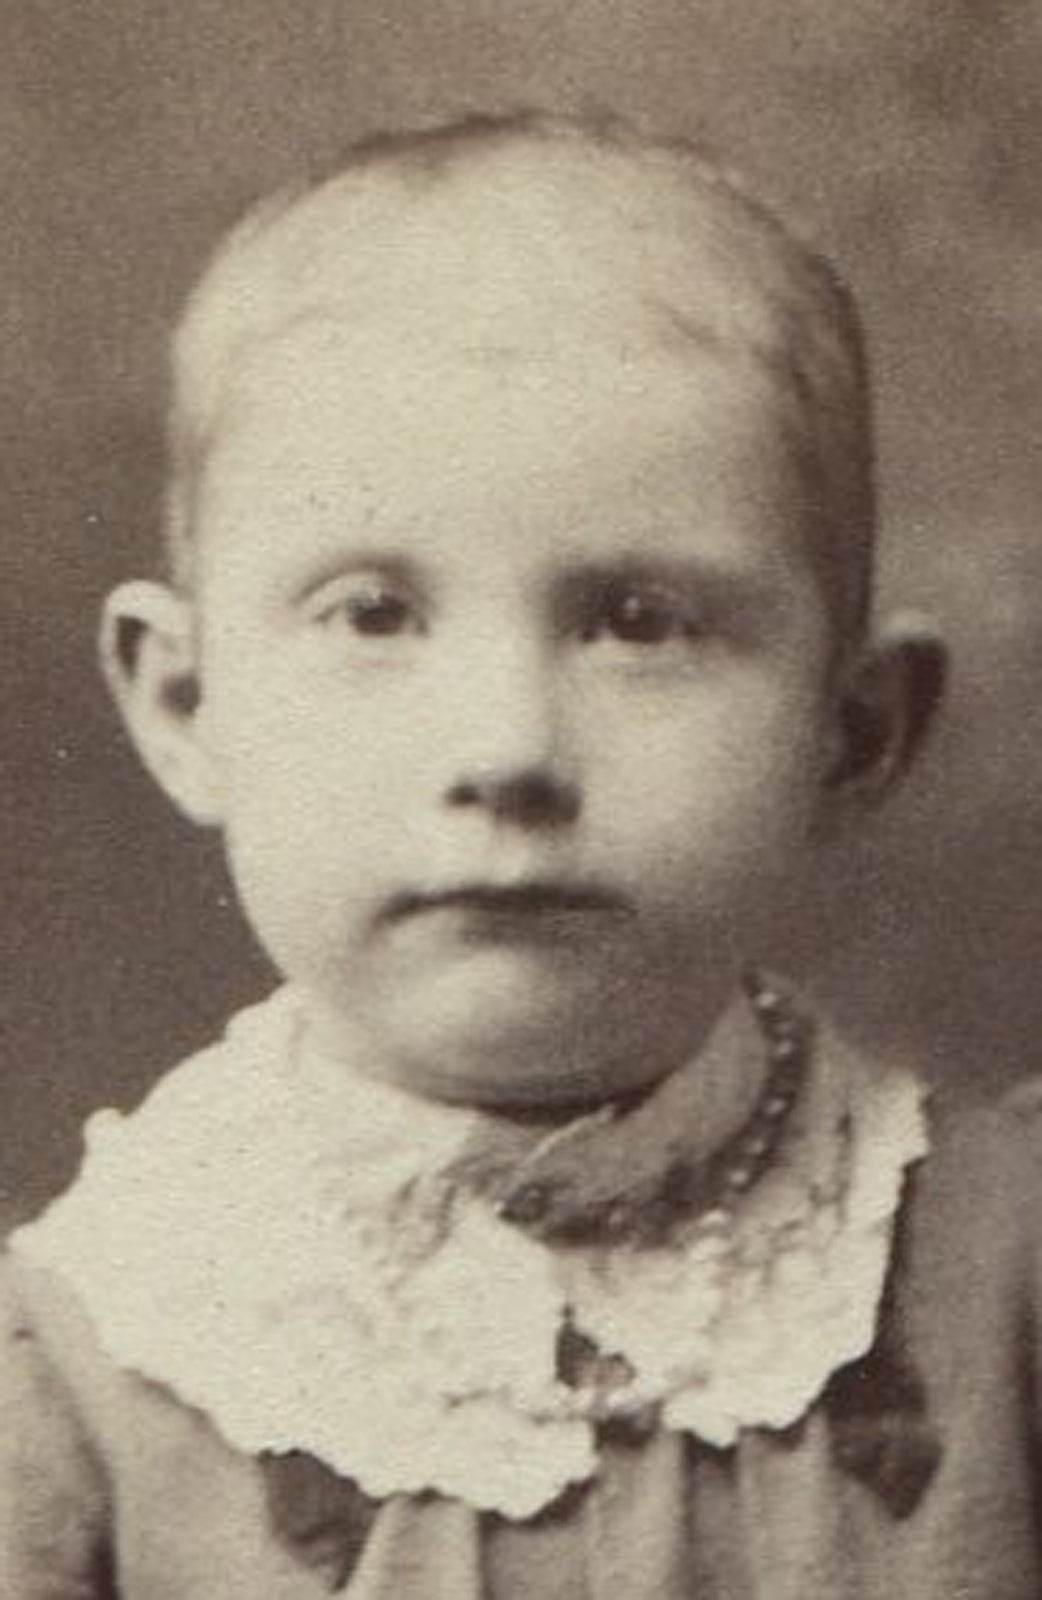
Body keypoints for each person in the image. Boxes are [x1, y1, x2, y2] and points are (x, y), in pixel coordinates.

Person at [3, 107, 1029, 1600]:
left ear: (853, 728)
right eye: (372, 615)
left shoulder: (1003, 1277)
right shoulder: (83, 1364)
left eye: (637, 623)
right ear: (187, 703)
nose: (504, 751)